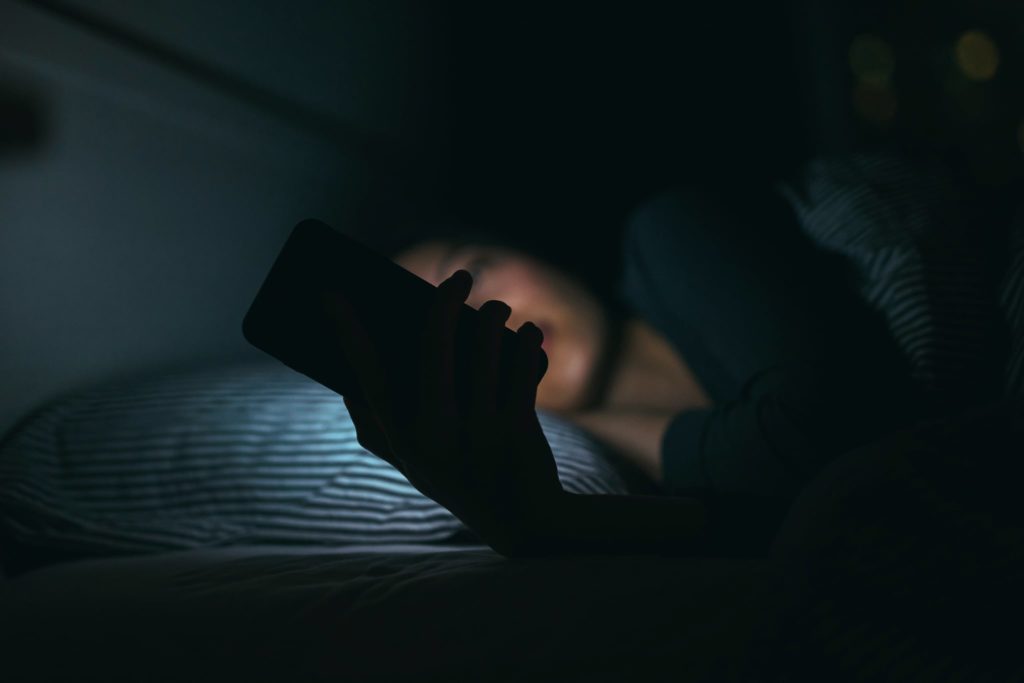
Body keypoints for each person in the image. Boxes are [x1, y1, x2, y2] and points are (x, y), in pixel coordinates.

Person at [327, 182, 922, 557]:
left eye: (474, 273)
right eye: (449, 331)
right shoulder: (635, 482)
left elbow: (847, 443)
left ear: (531, 251)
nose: (487, 316)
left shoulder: (671, 230)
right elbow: (825, 531)